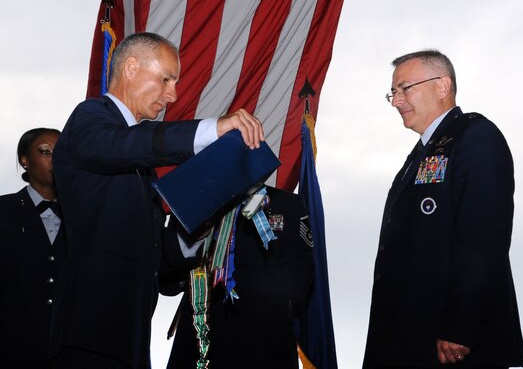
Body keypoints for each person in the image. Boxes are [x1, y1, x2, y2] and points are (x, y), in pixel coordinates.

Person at [49, 32, 265, 369]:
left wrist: (201, 223)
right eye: (166, 79)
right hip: (89, 332)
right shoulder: (89, 118)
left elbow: (157, 262)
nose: (173, 95)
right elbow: (127, 145)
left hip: (131, 336)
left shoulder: (138, 162)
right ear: (131, 67)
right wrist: (212, 130)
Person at [363, 50, 523, 368]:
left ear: (442, 85)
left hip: (449, 342)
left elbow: (483, 238)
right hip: (407, 336)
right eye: (393, 93)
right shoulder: (418, 157)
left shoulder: (475, 136)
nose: (396, 101)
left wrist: (461, 325)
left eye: (404, 88)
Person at [159, 185, 314, 369]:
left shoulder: (286, 204)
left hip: (264, 349)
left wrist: (223, 274)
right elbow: (166, 283)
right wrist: (191, 245)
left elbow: (297, 281)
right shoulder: (196, 203)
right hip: (197, 347)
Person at [0, 128, 67, 369]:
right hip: (11, 349)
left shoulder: (83, 218)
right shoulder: (3, 210)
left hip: (67, 352)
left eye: (60, 152)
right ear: (25, 161)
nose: (54, 159)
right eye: (45, 152)